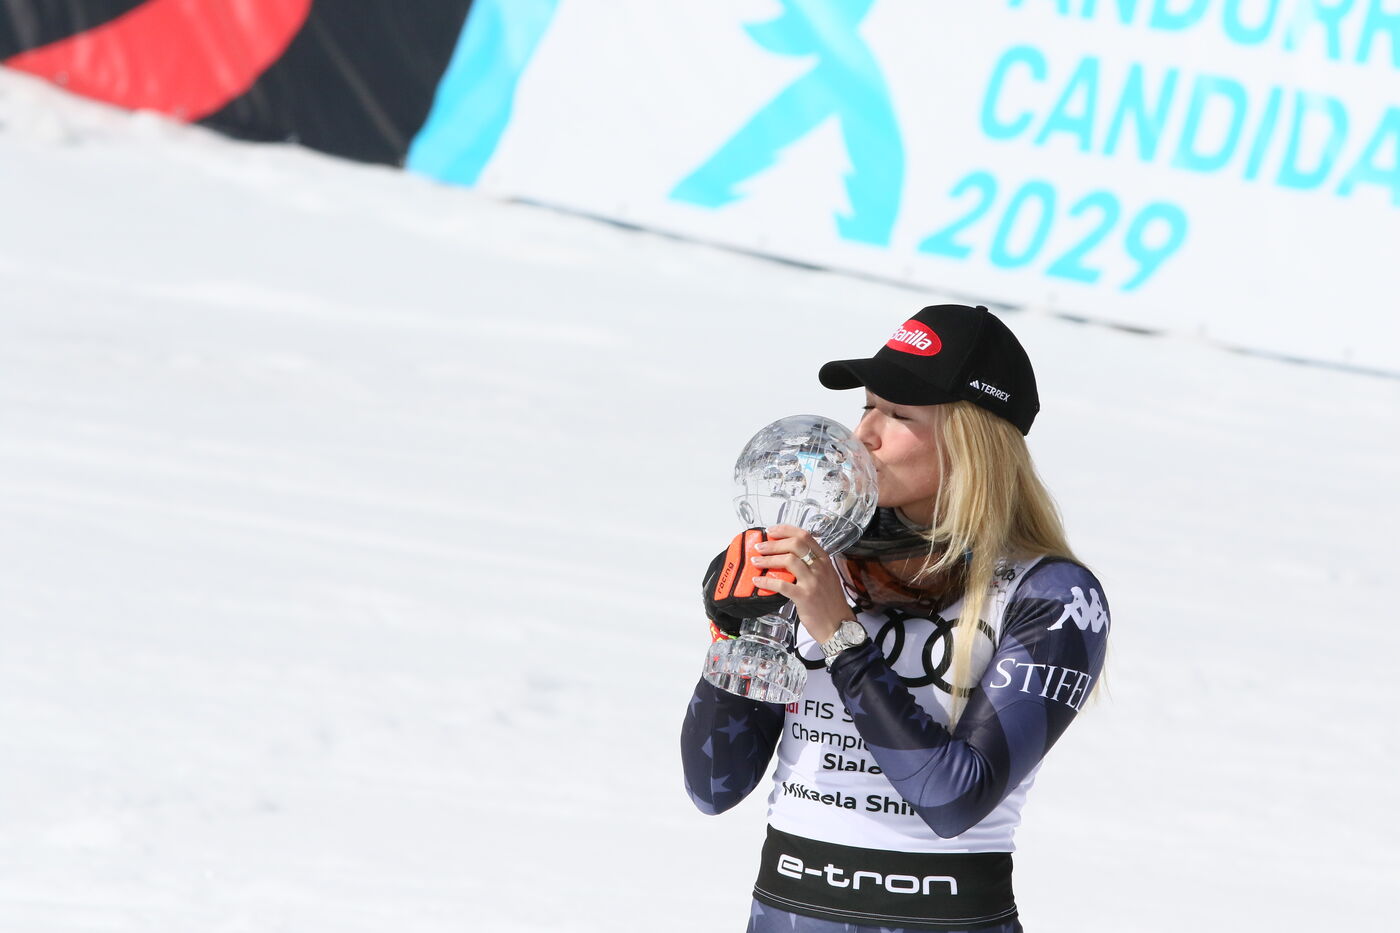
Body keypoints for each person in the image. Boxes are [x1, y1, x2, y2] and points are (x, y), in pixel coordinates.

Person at [681, 304, 1110, 933]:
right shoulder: (820, 562)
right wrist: (736, 636)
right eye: (867, 406)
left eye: (900, 415)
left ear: (974, 443)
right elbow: (713, 786)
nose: (864, 435)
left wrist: (840, 635)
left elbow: (954, 798)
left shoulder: (1053, 595)